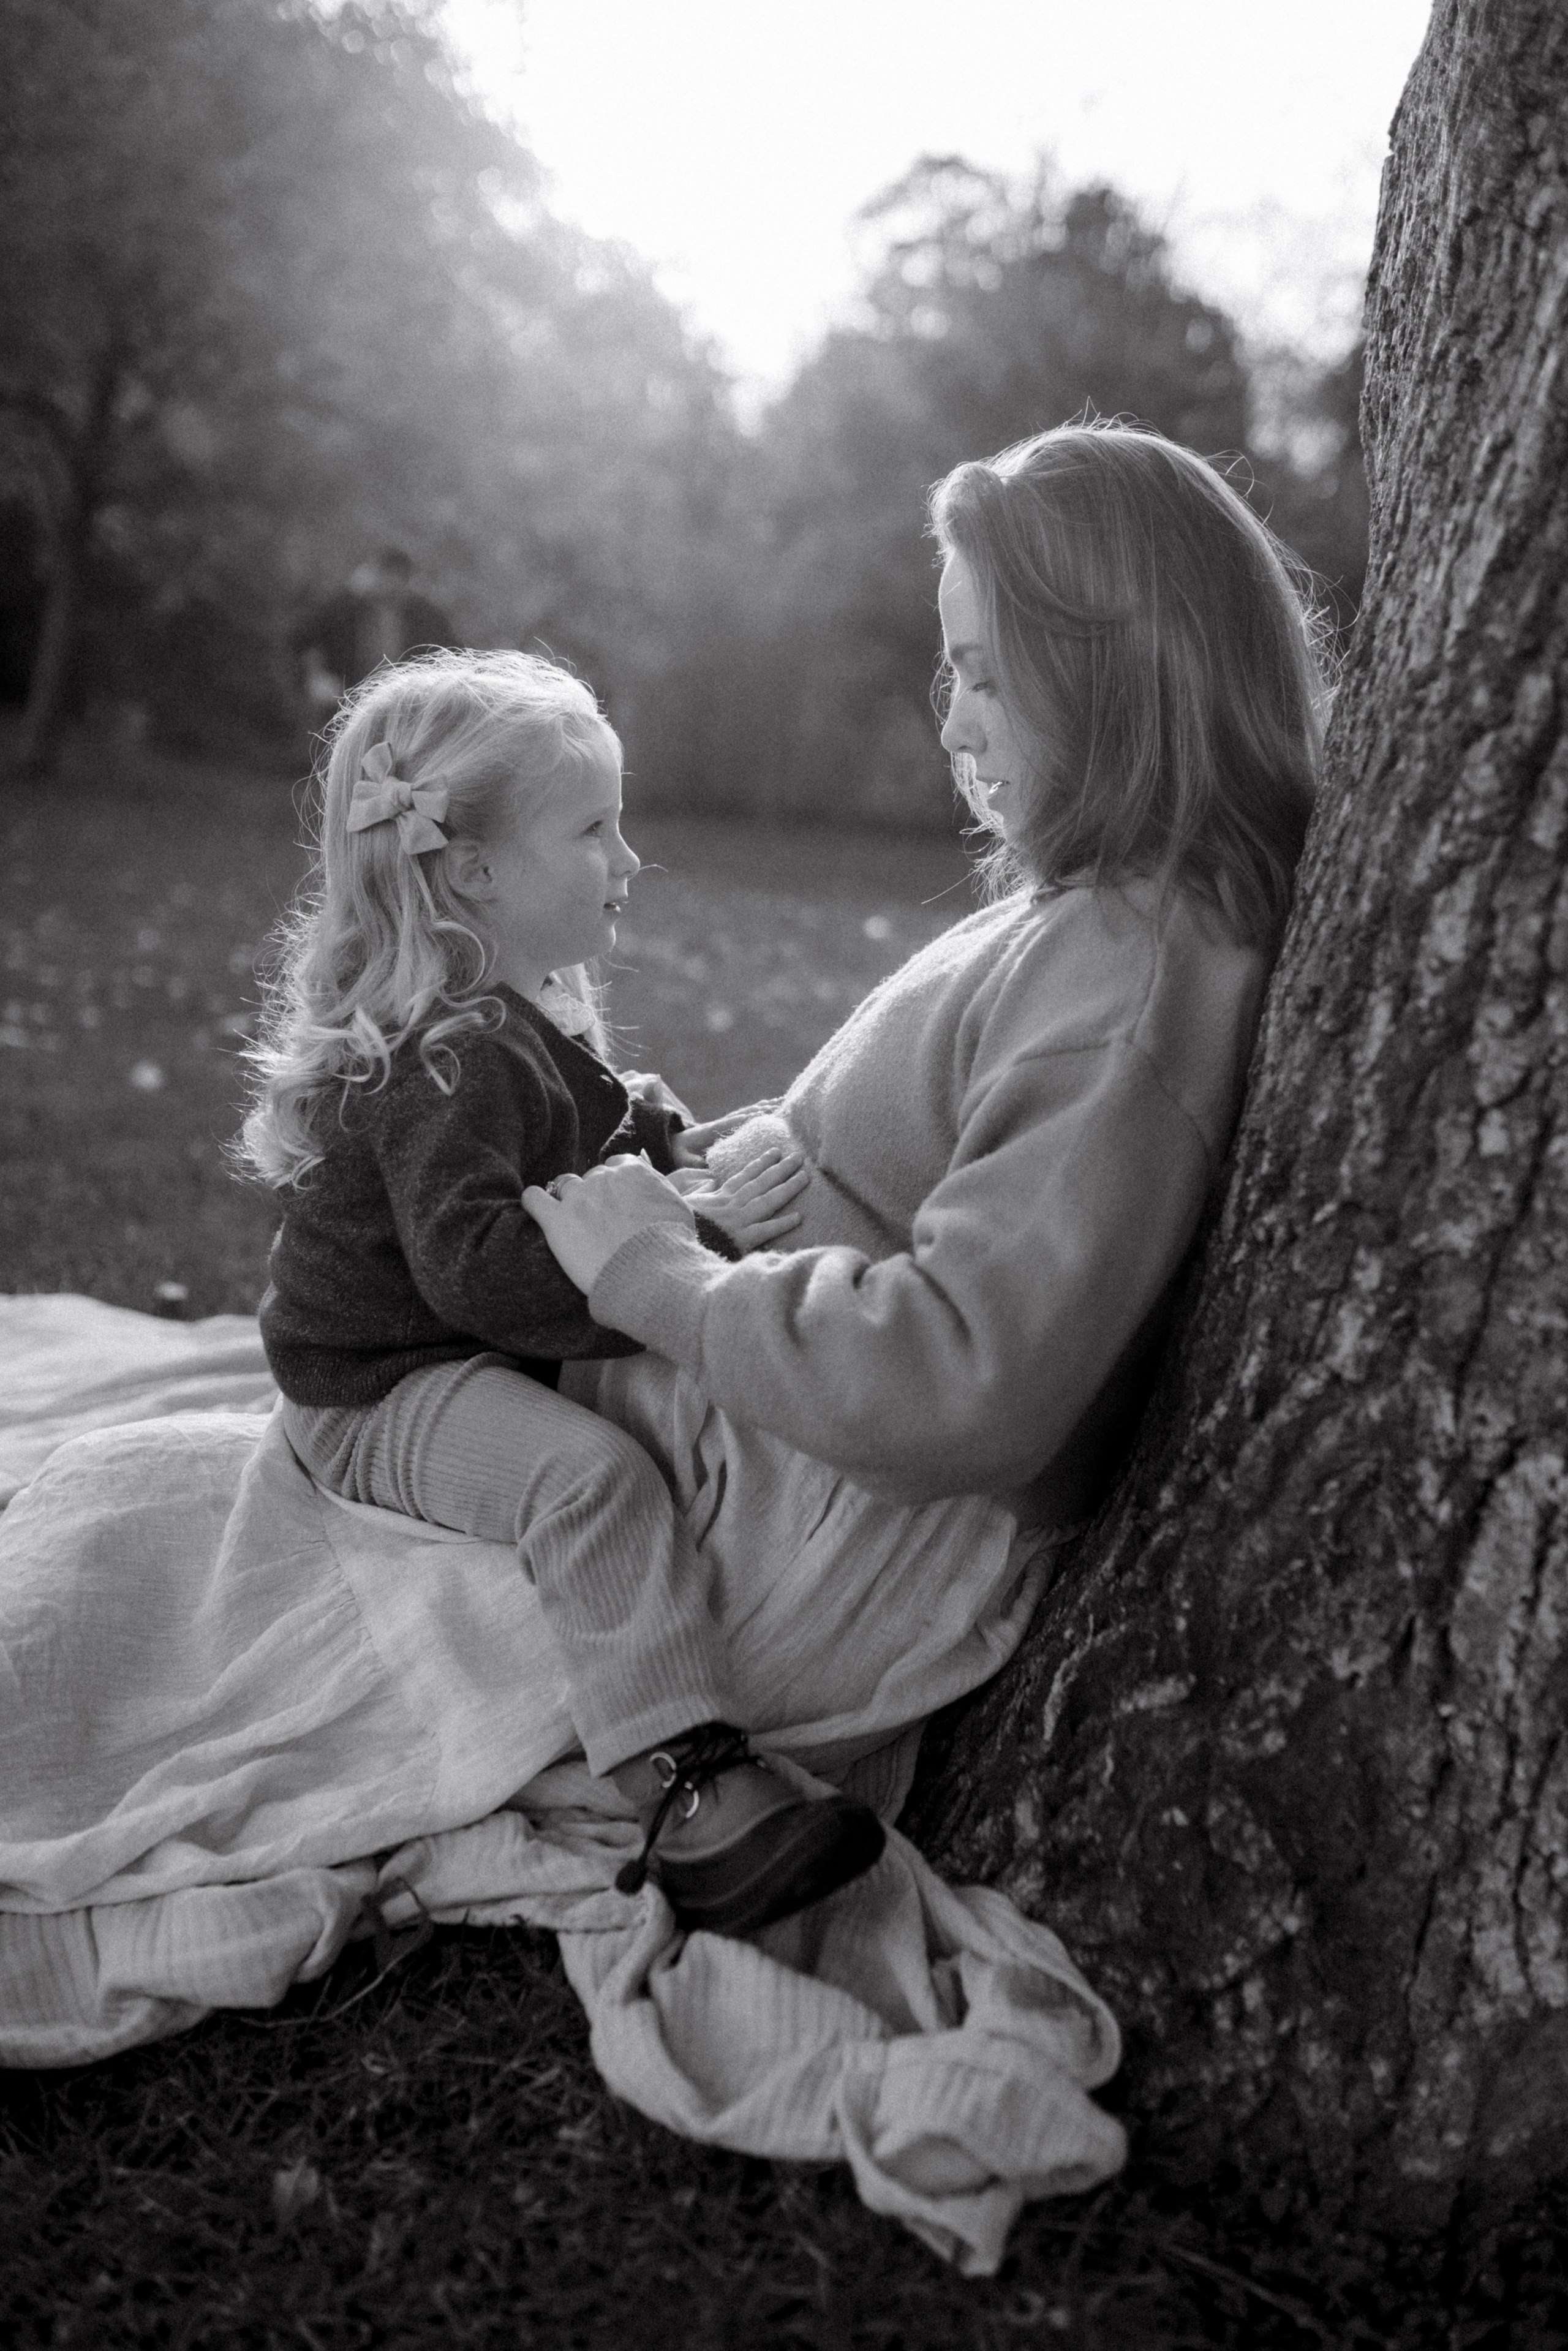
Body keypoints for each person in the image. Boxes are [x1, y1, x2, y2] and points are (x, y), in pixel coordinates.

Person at [525, 421, 1324, 1597]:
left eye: (992, 675)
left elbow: (961, 1382)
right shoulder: (1097, 919)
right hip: (731, 1419)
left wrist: (657, 1274)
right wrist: (710, 1164)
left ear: (1127, 671)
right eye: (956, 675)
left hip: (772, 1505)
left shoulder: (1135, 971)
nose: (953, 724)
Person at [235, 649, 886, 1936]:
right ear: (473, 871)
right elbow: (477, 1269)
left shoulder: (514, 1010)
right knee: (588, 1479)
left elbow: (592, 1141)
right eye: (594, 830)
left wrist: (683, 1154)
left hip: (447, 1345)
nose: (629, 860)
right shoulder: (452, 1056)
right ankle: (688, 1786)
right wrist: (680, 1241)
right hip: (379, 1384)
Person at [292, 547, 457, 732]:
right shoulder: (346, 608)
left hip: (403, 710)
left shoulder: (423, 616)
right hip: (344, 706)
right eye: (386, 575)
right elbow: (303, 639)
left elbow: (451, 654)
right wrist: (316, 676)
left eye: (399, 577)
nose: (391, 583)